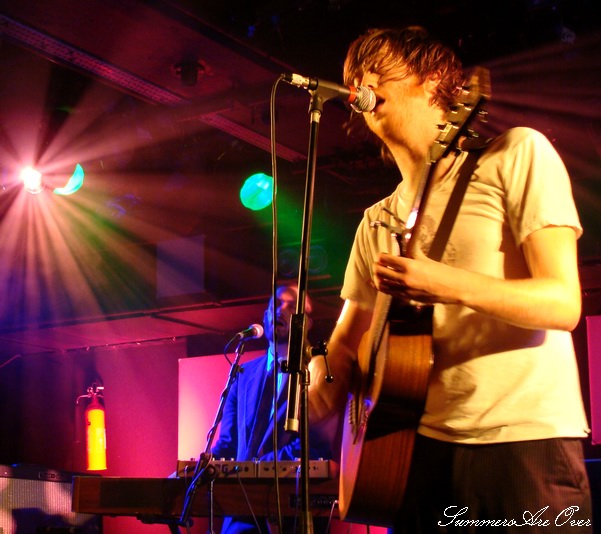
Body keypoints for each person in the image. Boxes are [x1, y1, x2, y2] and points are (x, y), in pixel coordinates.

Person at [308, 26, 593, 533]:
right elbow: (346, 347)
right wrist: (320, 380)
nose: (361, 84)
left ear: (433, 80)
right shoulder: (375, 221)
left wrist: (445, 283)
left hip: (522, 444)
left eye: (378, 69)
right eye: (355, 77)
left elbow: (563, 302)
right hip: (413, 455)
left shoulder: (516, 154)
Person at [212, 283, 332, 533]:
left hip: (292, 512)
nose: (281, 310)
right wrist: (203, 467)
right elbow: (228, 444)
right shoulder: (242, 374)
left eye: (291, 306)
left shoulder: (318, 371)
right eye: (276, 305)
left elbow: (315, 444)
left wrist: (257, 467)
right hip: (240, 513)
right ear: (266, 316)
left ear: (306, 323)